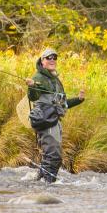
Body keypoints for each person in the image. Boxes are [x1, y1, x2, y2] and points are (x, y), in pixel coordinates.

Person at [25, 48, 85, 183]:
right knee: (53, 156)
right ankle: (48, 184)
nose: (52, 60)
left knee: (50, 156)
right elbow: (32, 96)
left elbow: (62, 104)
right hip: (46, 121)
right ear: (42, 61)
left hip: (54, 121)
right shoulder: (38, 77)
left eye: (54, 58)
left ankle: (40, 181)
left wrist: (79, 100)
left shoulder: (55, 80)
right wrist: (31, 86)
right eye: (48, 58)